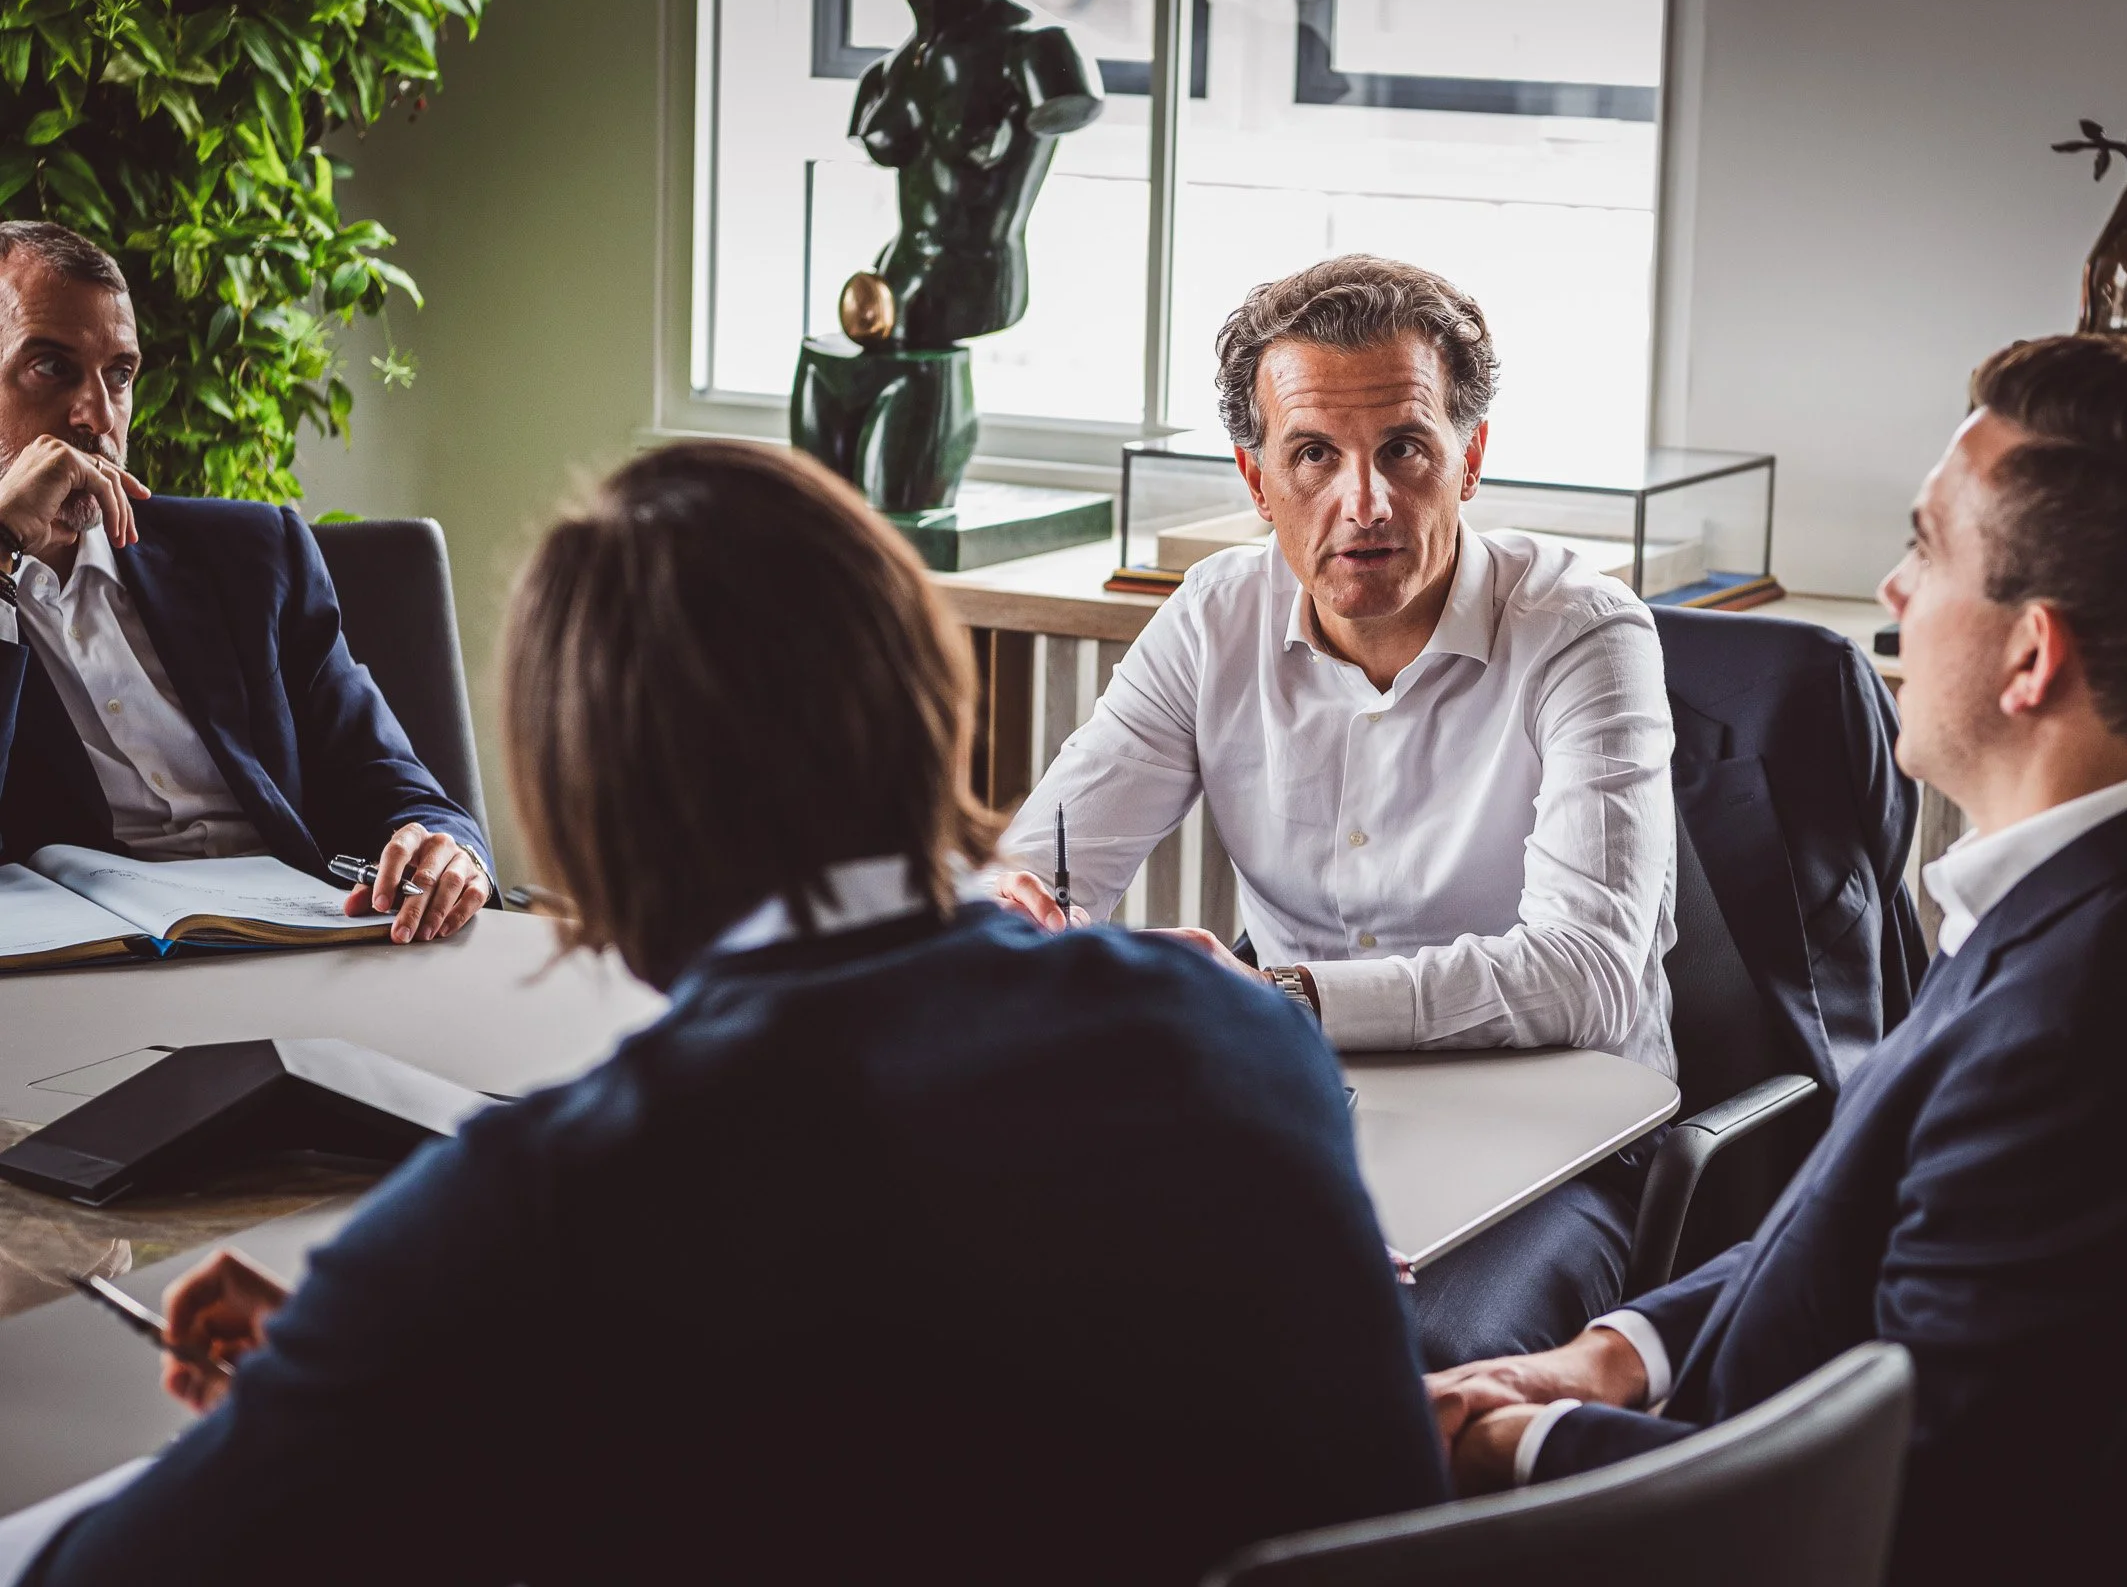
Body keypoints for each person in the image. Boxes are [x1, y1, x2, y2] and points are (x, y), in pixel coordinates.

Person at [13, 441, 1447, 1585]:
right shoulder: (1243, 1034)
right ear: (923, 694)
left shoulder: (548, 1202)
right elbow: (954, 1418)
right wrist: (413, 1360)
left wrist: (386, 1356)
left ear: (591, 809)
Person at [1427, 335, 2127, 1586]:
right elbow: (1853, 1229)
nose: (1889, 589)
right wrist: (1618, 1353)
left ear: (2031, 656)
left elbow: (1910, 1521)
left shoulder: (2090, 1037)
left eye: (1927, 549)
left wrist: (1525, 1448)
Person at [991, 255, 1678, 1369]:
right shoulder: (1215, 615)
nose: (1363, 503)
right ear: (1256, 482)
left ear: (1471, 458)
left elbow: (1587, 977)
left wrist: (1282, 998)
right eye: (1313, 455)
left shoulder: (1583, 631)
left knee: (1408, 1359)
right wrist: (1010, 921)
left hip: (1559, 1133)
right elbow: (1039, 866)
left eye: (1404, 448)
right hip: (1292, 1109)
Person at [0, 220, 488, 940]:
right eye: (52, 367)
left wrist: (448, 849)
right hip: (71, 990)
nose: (99, 416)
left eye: (120, 375)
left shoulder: (254, 555)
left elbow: (397, 785)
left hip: (302, 948)